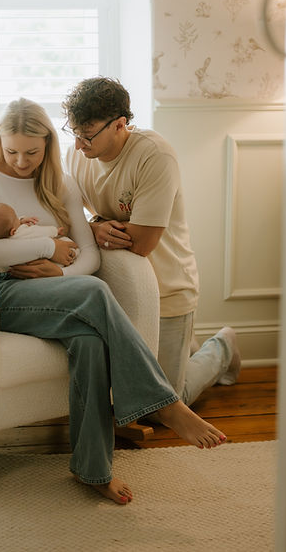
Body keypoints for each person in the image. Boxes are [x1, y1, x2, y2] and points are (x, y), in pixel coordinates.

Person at [0, 97, 227, 505]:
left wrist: (60, 273)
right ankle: (166, 404)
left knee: (89, 342)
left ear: (47, 143)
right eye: (11, 150)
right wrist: (49, 246)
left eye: (31, 151)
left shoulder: (62, 183)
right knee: (96, 291)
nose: (20, 161)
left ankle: (93, 469)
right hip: (0, 293)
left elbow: (89, 255)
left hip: (53, 291)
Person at [63, 76, 241, 411]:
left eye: (87, 136)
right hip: (118, 288)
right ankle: (185, 349)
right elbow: (66, 219)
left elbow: (143, 243)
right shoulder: (77, 157)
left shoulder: (154, 156)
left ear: (120, 125)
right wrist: (93, 227)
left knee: (163, 406)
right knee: (127, 394)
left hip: (168, 289)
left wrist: (91, 228)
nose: (77, 145)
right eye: (73, 133)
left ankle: (223, 346)